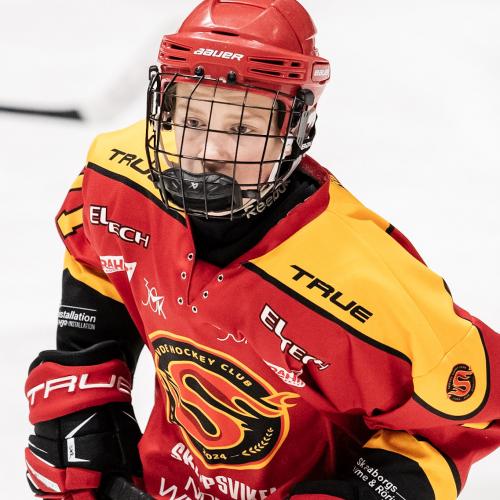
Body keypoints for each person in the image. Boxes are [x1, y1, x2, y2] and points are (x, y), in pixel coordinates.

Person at [24, 1, 500, 499]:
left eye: (242, 129)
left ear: (294, 128)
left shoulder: (365, 283)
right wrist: (82, 407)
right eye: (192, 119)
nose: (208, 151)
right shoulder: (120, 180)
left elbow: (459, 424)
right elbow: (100, 261)